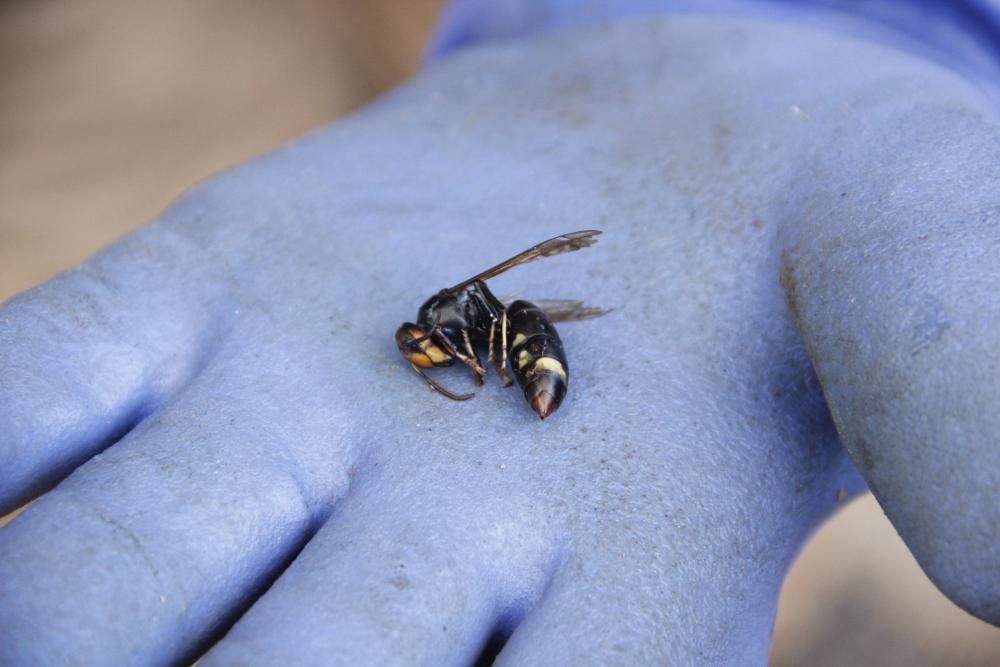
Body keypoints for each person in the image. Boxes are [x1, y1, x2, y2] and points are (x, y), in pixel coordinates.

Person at [1, 1, 997, 664]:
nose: (425, 356)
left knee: (716, 517)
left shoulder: (483, 328)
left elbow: (507, 322)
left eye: (433, 350)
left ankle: (818, 611)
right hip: (165, 60)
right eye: (432, 353)